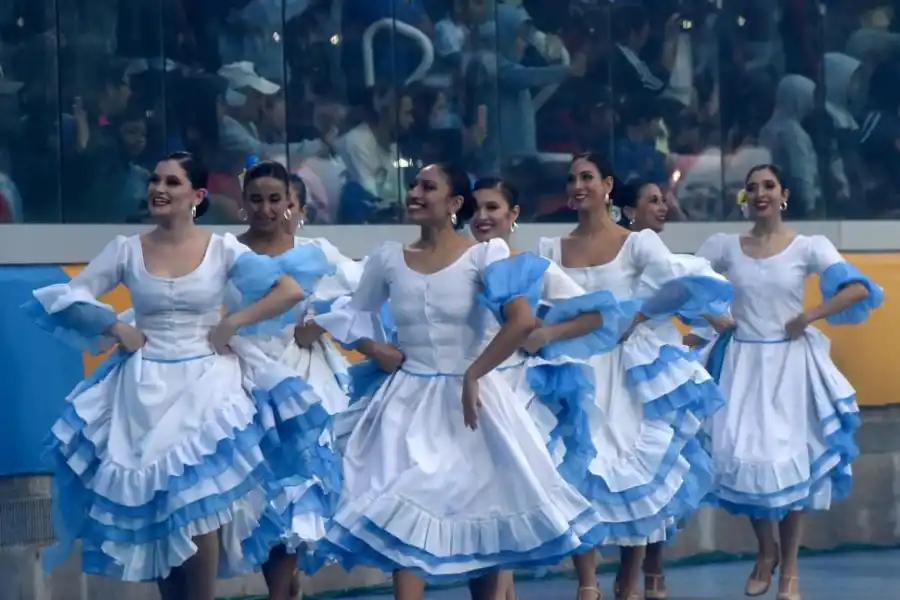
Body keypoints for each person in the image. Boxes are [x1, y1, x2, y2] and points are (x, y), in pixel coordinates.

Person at [23, 151, 334, 600]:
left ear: (197, 195)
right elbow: (68, 297)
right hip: (143, 386)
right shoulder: (127, 249)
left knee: (195, 504)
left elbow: (287, 289)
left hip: (207, 380)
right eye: (155, 180)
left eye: (171, 182)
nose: (159, 189)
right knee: (159, 504)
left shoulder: (223, 248)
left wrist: (233, 323)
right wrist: (116, 326)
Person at [303, 162, 611, 600]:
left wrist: (474, 372)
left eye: (428, 187)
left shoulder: (485, 255)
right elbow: (354, 313)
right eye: (413, 185)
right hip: (406, 404)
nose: (416, 193)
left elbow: (520, 321)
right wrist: (376, 349)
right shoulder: (389, 258)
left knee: (481, 521)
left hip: (476, 406)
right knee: (401, 508)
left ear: (453, 203)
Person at [537, 153, 732, 600]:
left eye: (587, 177)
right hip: (572, 373)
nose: (577, 185)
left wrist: (638, 315)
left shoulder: (638, 244)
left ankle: (630, 576)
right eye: (571, 179)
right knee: (573, 469)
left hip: (627, 369)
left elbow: (674, 285)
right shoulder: (550, 248)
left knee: (632, 469)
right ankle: (587, 582)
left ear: (608, 185)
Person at [691, 164, 883, 600]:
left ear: (784, 195)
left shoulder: (807, 247)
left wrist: (810, 315)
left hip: (789, 367)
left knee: (790, 462)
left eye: (768, 186)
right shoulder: (726, 246)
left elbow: (857, 290)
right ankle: (766, 550)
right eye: (752, 187)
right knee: (744, 457)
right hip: (742, 364)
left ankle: (791, 571)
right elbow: (680, 280)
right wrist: (711, 315)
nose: (760, 193)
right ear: (745, 197)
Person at [466, 176, 631, 600]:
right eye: (476, 209)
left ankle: (559, 584)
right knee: (480, 499)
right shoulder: (461, 263)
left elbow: (598, 315)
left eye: (492, 208)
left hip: (520, 391)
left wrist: (546, 335)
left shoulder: (534, 268)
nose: (482, 217)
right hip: (469, 391)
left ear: (513, 215)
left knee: (511, 490)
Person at [224, 157, 365, 600]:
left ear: (290, 203)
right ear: (243, 203)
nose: (265, 209)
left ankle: (281, 590)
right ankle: (282, 586)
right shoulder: (226, 251)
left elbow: (363, 292)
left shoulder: (317, 252)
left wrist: (320, 324)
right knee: (256, 491)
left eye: (274, 199)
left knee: (294, 486)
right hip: (241, 374)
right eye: (256, 200)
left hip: (301, 376)